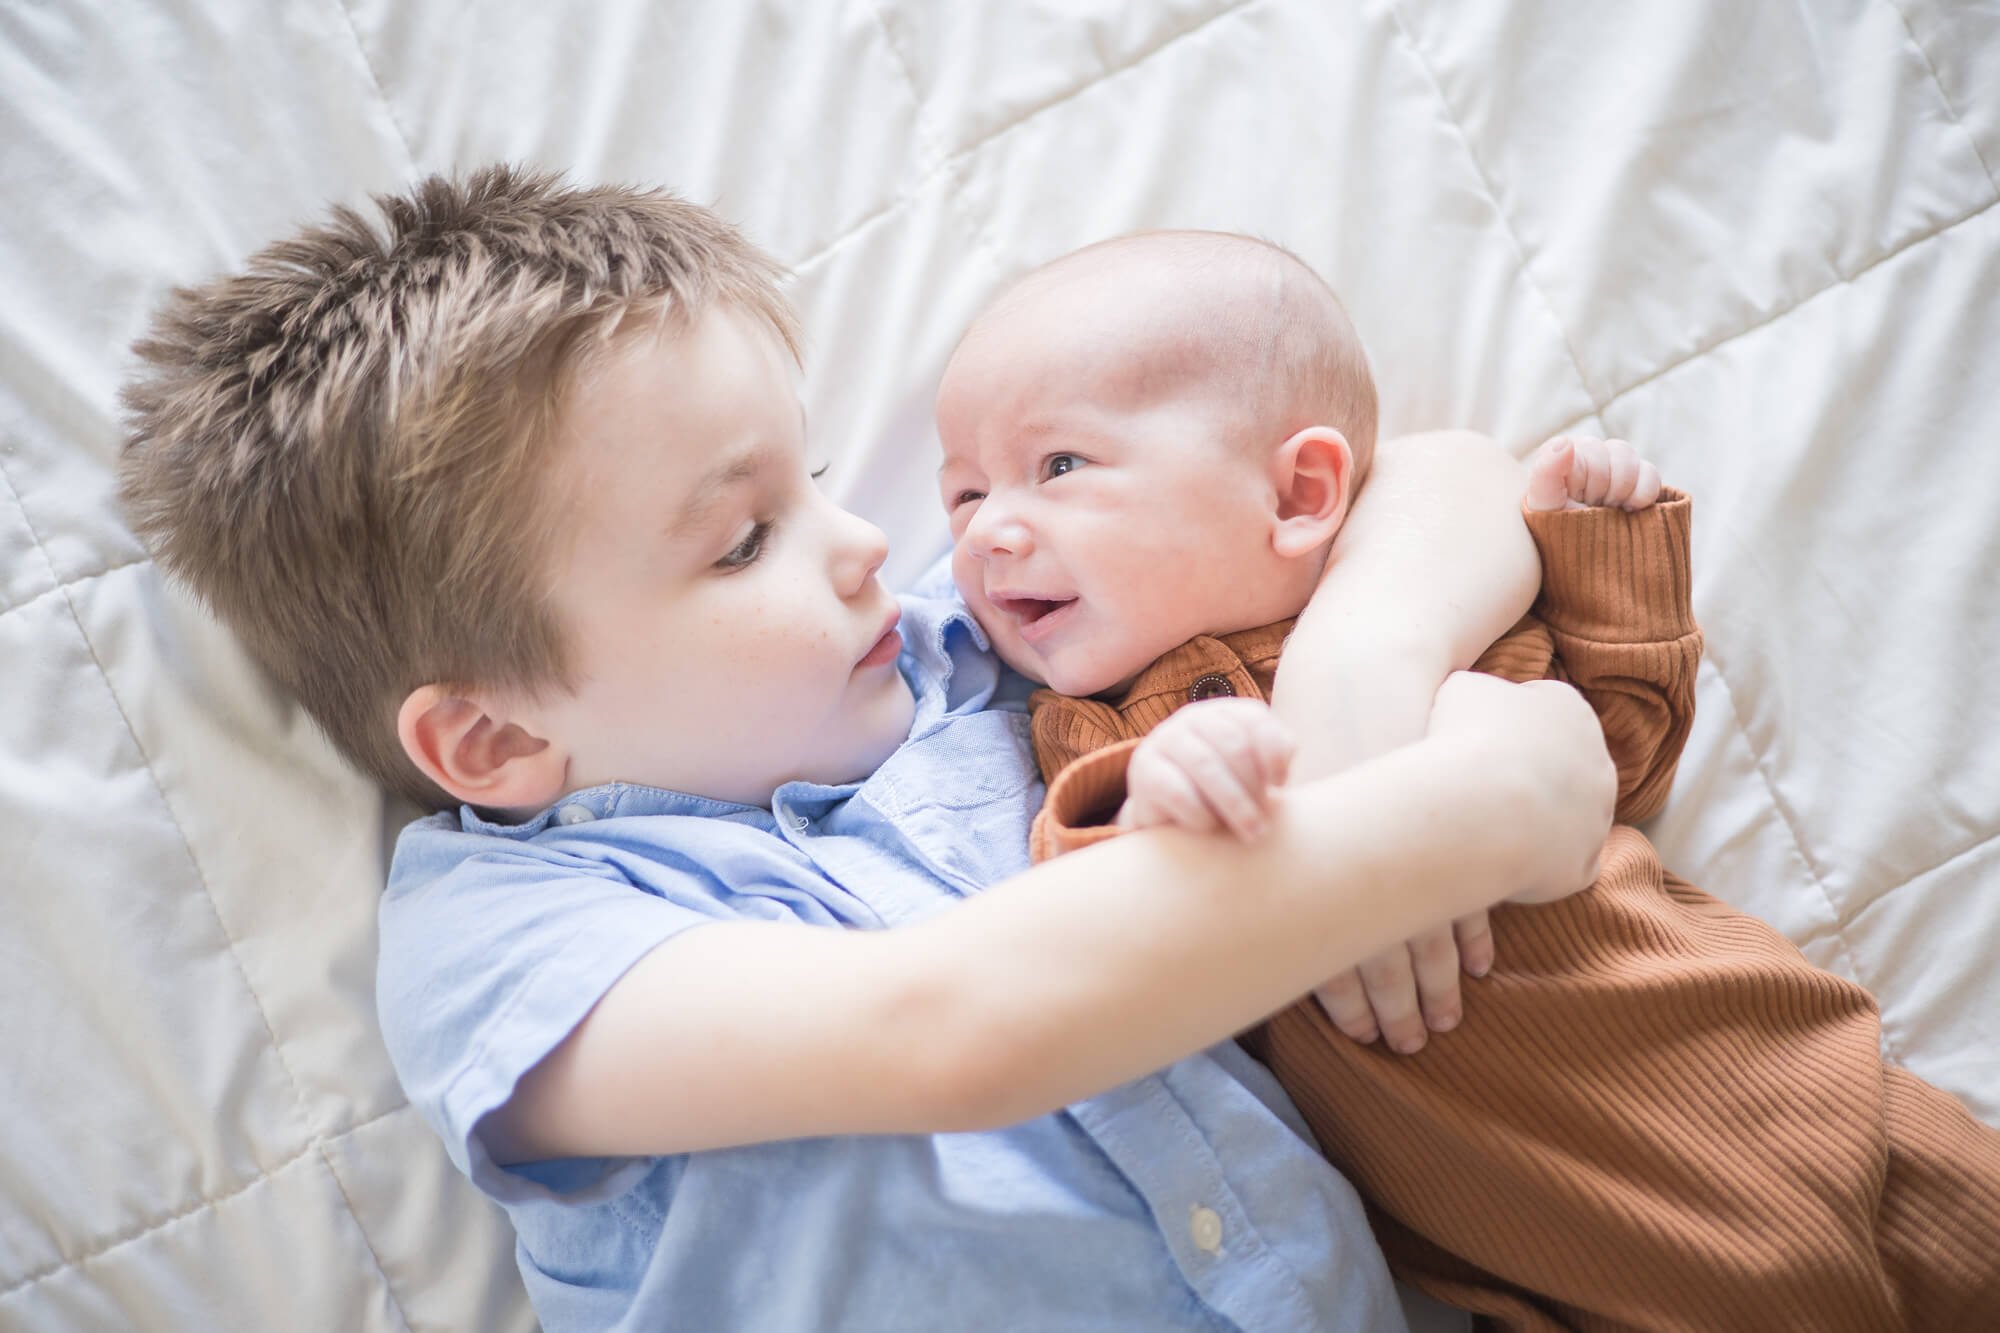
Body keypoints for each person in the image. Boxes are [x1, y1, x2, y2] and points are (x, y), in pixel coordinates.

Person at [116, 167, 1618, 1333]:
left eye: (818, 476)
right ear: (498, 733)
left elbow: (1429, 476)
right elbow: (950, 1030)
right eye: (743, 539)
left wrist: (1359, 690)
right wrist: (1487, 809)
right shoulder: (506, 945)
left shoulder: (949, 657)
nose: (864, 544)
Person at [934, 229, 2000, 1332]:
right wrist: (1159, 799)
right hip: (1574, 1268)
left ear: (1300, 493)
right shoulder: (1095, 739)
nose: (989, 535)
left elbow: (1622, 751)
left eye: (1058, 466)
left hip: (1798, 1100)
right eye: (961, 497)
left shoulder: (1421, 613)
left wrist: (1592, 542)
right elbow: (1107, 933)